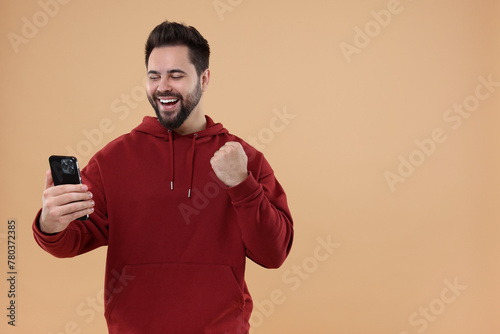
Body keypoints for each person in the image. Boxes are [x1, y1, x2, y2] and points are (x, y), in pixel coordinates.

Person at [33, 20, 294, 334]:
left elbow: (274, 253)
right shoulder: (113, 160)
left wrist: (242, 185)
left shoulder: (244, 159)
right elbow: (69, 241)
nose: (163, 86)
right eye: (154, 75)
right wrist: (51, 223)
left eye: (176, 75)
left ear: (205, 78)